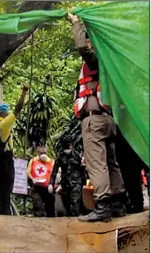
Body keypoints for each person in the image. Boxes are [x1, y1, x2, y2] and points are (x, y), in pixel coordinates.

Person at [68, 12, 126, 222]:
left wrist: (76, 24)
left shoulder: (96, 60)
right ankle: (118, 204)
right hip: (109, 119)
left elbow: (83, 48)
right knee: (111, 162)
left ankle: (103, 207)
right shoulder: (113, 62)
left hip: (94, 119)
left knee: (97, 163)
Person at [0, 85, 29, 214]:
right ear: (4, 114)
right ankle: (3, 215)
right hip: (4, 162)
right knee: (5, 191)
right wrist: (24, 92)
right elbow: (18, 109)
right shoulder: (3, 125)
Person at [49, 139, 85, 217]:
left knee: (75, 202)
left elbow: (83, 169)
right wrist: (50, 184)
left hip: (76, 182)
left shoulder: (77, 155)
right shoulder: (60, 157)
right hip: (65, 183)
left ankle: (75, 220)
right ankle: (69, 222)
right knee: (67, 204)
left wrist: (82, 166)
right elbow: (54, 172)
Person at [27, 146, 55, 217]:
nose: (43, 154)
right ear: (38, 153)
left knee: (50, 204)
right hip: (36, 186)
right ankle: (39, 219)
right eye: (41, 153)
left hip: (47, 187)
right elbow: (28, 172)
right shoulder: (33, 161)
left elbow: (54, 174)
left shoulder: (51, 162)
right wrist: (32, 179)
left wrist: (51, 184)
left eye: (45, 153)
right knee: (37, 203)